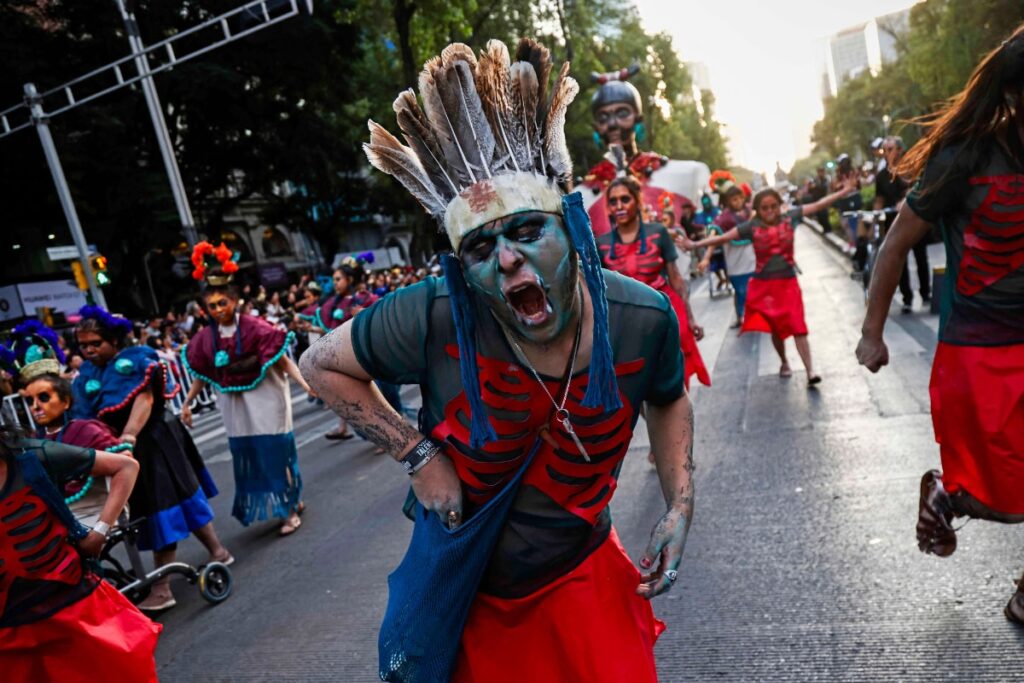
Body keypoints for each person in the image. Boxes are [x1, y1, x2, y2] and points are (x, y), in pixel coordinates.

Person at [303, 38, 695, 682]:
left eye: (524, 232)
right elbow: (319, 362)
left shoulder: (643, 317)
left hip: (582, 579)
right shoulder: (432, 314)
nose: (506, 259)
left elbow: (668, 394)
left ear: (571, 229)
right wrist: (417, 455)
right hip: (474, 601)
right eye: (482, 246)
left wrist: (680, 504)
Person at [855, 29, 1024, 624]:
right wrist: (873, 332)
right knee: (1008, 494)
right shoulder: (967, 156)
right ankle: (948, 496)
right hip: (979, 350)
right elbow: (896, 241)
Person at [71, 306, 229, 611]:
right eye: (84, 345)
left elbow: (145, 398)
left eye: (96, 344)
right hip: (120, 451)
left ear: (114, 341)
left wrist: (128, 436)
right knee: (173, 501)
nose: (89, 350)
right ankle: (218, 551)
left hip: (154, 439)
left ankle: (162, 586)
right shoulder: (86, 374)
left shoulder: (138, 359)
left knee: (165, 505)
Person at [0, 425, 162, 680]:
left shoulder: (29, 457)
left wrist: (99, 531)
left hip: (74, 610)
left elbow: (126, 467)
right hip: (10, 637)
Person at [180, 241, 313, 536]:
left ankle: (288, 510)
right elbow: (202, 372)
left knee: (275, 452)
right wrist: (188, 402)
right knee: (254, 455)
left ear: (235, 301)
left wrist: (305, 384)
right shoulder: (204, 338)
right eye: (211, 306)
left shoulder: (256, 327)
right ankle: (290, 500)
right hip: (234, 405)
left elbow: (280, 361)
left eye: (222, 303)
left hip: (266, 398)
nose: (217, 310)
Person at [686, 180, 856, 385]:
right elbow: (722, 238)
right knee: (776, 328)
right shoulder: (751, 227)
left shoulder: (789, 217)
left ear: (780, 205)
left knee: (798, 325)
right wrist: (695, 244)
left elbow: (819, 205)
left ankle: (810, 370)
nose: (770, 211)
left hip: (788, 282)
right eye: (764, 208)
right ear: (756, 209)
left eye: (773, 206)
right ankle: (784, 361)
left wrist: (845, 190)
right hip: (765, 287)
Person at [599, 176, 711, 391]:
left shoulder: (658, 233)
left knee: (675, 378)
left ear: (638, 201)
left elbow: (675, 278)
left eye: (625, 199)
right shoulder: (601, 244)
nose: (619, 206)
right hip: (629, 321)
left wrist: (690, 318)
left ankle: (677, 419)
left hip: (664, 310)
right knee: (637, 386)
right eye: (613, 202)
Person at [304, 258, 380, 441]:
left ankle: (386, 435)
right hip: (343, 356)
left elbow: (376, 316)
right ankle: (345, 427)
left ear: (350, 280)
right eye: (334, 279)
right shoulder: (334, 303)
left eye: (338, 279)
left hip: (364, 355)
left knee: (375, 396)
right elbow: (330, 327)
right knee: (346, 394)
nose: (335, 283)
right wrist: (312, 328)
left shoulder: (363, 298)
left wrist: (362, 315)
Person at [874, 135, 931, 313]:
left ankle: (925, 293)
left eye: (891, 149)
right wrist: (875, 215)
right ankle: (907, 298)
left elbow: (915, 186)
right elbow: (879, 199)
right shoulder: (882, 176)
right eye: (885, 150)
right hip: (894, 223)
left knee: (920, 256)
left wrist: (905, 200)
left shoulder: (910, 168)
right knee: (899, 260)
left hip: (914, 220)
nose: (887, 153)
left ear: (899, 150)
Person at [712, 183, 755, 327]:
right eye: (733, 199)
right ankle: (739, 317)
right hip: (735, 263)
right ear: (727, 201)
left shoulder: (751, 211)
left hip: (752, 259)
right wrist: (706, 257)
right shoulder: (723, 218)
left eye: (739, 199)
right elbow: (713, 234)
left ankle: (757, 316)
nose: (737, 202)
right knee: (740, 291)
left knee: (754, 290)